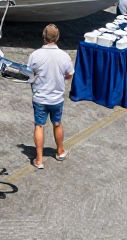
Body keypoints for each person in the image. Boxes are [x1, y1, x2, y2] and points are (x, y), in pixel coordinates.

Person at [26, 24, 73, 168]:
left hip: (40, 97)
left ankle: (39, 160)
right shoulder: (64, 56)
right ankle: (60, 151)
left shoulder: (35, 55)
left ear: (44, 37)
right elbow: (70, 74)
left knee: (39, 126)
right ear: (57, 37)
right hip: (56, 98)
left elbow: (28, 73)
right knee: (57, 123)